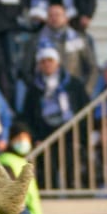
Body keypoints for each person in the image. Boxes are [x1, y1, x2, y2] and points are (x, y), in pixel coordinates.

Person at [20, 46, 89, 190]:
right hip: (45, 137)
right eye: (43, 62)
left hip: (70, 136)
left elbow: (85, 109)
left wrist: (82, 136)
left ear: (57, 63)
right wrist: (35, 137)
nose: (47, 64)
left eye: (50, 61)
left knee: (72, 172)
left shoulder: (73, 84)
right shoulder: (34, 88)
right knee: (47, 173)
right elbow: (28, 116)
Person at [0, 123, 44, 214]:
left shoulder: (22, 161)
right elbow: (9, 196)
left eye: (26, 138)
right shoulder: (6, 161)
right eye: (19, 138)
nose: (23, 142)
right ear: (11, 140)